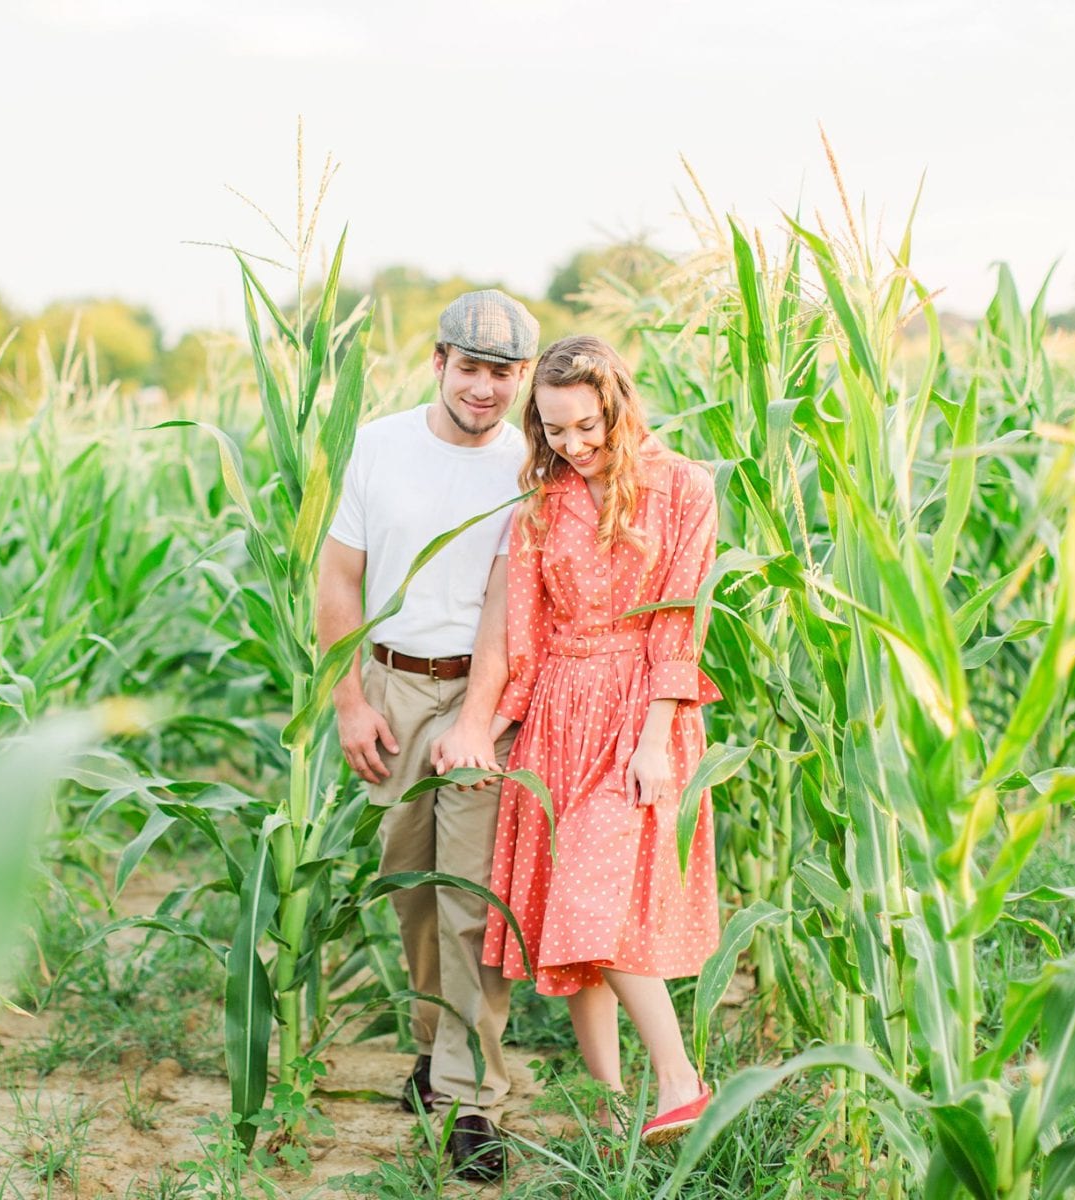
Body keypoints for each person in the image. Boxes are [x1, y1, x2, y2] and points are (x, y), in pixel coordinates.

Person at [439, 333, 722, 1144]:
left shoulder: (682, 489)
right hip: (559, 717)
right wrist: (482, 732)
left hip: (639, 713)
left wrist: (657, 736)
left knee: (590, 899)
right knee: (574, 928)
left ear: (619, 405)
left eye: (589, 425)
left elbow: (679, 619)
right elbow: (522, 635)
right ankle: (609, 1106)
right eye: (556, 431)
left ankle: (678, 1081)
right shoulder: (541, 505)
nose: (575, 445)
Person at [317, 289, 539, 1180]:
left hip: (479, 692)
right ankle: (433, 1044)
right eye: (473, 368)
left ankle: (472, 1098)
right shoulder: (376, 447)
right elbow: (338, 576)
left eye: (504, 374)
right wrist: (347, 701)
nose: (485, 389)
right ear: (439, 363)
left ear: (523, 380)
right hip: (389, 684)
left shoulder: (528, 463)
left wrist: (479, 720)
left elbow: (505, 606)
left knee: (471, 900)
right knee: (409, 886)